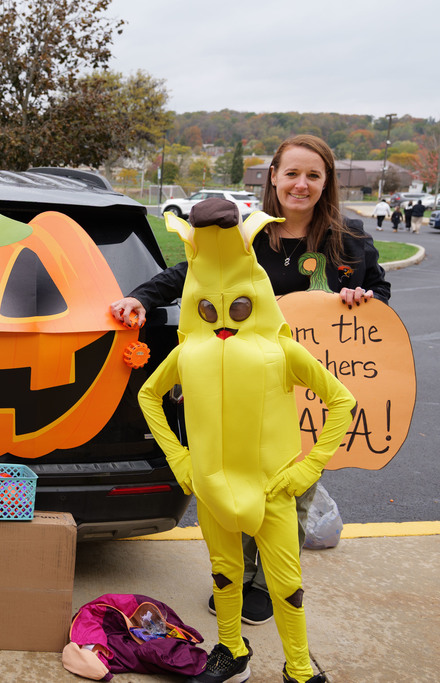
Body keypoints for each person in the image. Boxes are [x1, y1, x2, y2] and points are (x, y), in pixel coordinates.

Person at [111, 134, 390, 626]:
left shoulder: (351, 241)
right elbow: (189, 272)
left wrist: (365, 296)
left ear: (326, 183)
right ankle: (237, 576)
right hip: (244, 393)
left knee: (293, 496)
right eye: (292, 174)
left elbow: (378, 297)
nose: (301, 184)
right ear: (274, 178)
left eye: (313, 175)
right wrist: (141, 297)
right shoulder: (247, 237)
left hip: (305, 390)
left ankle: (270, 582)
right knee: (238, 486)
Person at [138, 197, 356, 683]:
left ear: (253, 299)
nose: (222, 321)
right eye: (209, 308)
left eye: (236, 306)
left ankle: (298, 666)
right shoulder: (189, 352)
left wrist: (308, 466)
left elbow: (342, 401)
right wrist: (182, 462)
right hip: (214, 486)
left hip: (273, 487)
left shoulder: (281, 350)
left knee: (286, 583)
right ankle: (231, 649)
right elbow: (148, 397)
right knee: (223, 573)